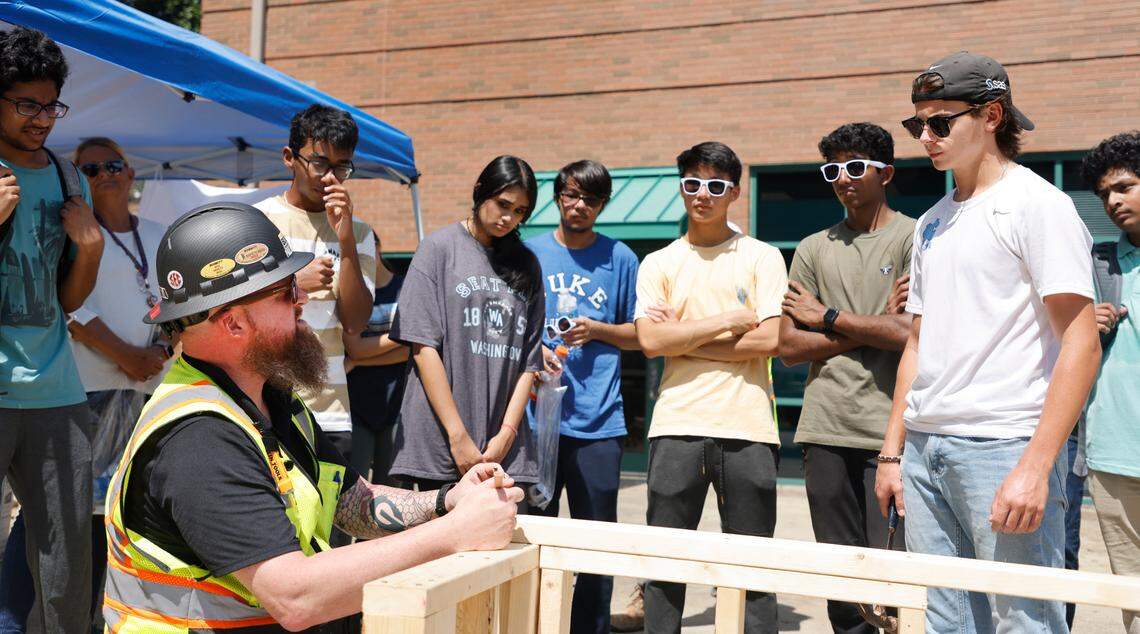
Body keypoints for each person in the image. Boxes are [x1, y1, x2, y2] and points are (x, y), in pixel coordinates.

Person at [103, 202, 523, 632]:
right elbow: (295, 597)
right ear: (232, 324)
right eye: (287, 291)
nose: (303, 299)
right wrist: (455, 534)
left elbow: (349, 500)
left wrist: (446, 502)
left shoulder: (269, 397)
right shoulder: (199, 438)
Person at [873, 52, 1100, 633]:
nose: (925, 136)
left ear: (992, 115)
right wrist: (894, 452)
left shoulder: (1039, 207)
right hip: (926, 450)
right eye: (916, 124)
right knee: (945, 621)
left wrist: (1036, 465)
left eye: (940, 122)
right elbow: (918, 345)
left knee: (1023, 621)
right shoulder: (931, 222)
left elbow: (1080, 343)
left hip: (1004, 446)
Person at [0, 137, 170, 631]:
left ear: (132, 170)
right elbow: (67, 303)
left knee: (111, 521)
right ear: (76, 181)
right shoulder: (64, 222)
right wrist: (126, 354)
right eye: (90, 169)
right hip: (80, 387)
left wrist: (159, 347)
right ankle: (12, 619)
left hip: (144, 393)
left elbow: (172, 300)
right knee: (54, 523)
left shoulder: (158, 235)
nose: (104, 174)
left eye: (113, 164)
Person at [634, 141, 785, 634]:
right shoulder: (658, 263)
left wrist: (683, 338)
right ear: (681, 187)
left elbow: (769, 338)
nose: (703, 194)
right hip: (677, 423)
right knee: (665, 563)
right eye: (693, 183)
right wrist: (726, 321)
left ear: (734, 193)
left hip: (749, 427)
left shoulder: (762, 257)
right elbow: (650, 340)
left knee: (752, 565)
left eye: (716, 185)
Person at [778, 122, 914, 634]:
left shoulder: (914, 236)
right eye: (833, 170)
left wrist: (828, 317)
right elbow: (789, 347)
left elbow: (910, 334)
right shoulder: (813, 247)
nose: (843, 179)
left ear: (886, 173)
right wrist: (871, 323)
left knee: (893, 576)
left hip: (890, 430)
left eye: (855, 167)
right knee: (841, 580)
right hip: (824, 427)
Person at [0, 27, 104, 633]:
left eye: (51, 105)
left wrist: (88, 250)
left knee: (67, 573)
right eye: (26, 104)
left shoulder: (71, 179)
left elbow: (64, 300)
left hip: (58, 395)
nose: (42, 119)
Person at [523, 159, 640, 634]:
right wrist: (535, 358)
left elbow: (641, 334)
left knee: (595, 547)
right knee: (533, 540)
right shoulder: (528, 254)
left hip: (598, 423)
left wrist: (600, 329)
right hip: (533, 423)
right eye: (571, 195)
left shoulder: (621, 259)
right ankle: (533, 624)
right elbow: (510, 331)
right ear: (557, 197)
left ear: (603, 204)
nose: (579, 206)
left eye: (590, 199)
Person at [389, 155, 544, 490]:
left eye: (519, 211)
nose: (508, 218)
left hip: (502, 447)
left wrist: (507, 435)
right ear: (479, 191)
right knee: (444, 542)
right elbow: (423, 348)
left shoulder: (527, 265)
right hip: (441, 440)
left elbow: (528, 364)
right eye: (503, 204)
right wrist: (457, 436)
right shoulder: (438, 249)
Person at [256, 104, 375, 465]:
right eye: (320, 163)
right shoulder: (257, 221)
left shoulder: (358, 232)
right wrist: (294, 284)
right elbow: (236, 312)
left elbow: (356, 323)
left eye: (342, 167)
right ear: (290, 157)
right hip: (263, 405)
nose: (330, 177)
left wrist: (347, 241)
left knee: (329, 521)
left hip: (330, 411)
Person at [1079, 130, 1140, 634]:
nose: (1113, 201)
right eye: (1105, 194)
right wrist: (1083, 327)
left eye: (1124, 187)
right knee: (1133, 593)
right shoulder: (1097, 264)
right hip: (1113, 455)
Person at [344, 230, 408, 486]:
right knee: (356, 488)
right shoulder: (351, 296)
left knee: (393, 488)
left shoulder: (406, 286)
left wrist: (359, 360)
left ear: (378, 247)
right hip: (356, 405)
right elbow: (355, 348)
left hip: (398, 404)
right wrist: (402, 336)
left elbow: (412, 350)